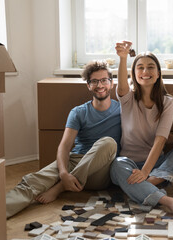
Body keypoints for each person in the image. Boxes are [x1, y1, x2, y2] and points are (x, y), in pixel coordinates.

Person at [6, 60, 121, 218]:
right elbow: (64, 147)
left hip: (102, 170)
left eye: (104, 80)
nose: (100, 85)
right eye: (94, 81)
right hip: (76, 160)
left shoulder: (122, 110)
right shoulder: (78, 112)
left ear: (112, 83)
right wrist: (63, 173)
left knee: (108, 143)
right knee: (35, 179)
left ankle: (60, 188)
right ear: (88, 85)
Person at [110, 41, 173, 222]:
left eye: (151, 67)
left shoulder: (167, 102)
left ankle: (147, 184)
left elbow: (160, 139)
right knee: (116, 165)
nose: (145, 72)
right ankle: (170, 202)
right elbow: (121, 85)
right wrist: (122, 58)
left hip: (156, 167)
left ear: (158, 73)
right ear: (134, 73)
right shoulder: (127, 98)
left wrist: (146, 173)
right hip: (129, 164)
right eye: (140, 67)